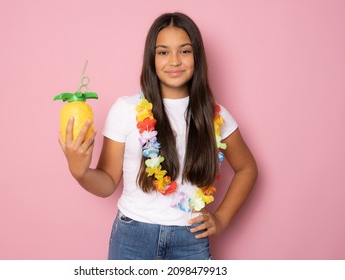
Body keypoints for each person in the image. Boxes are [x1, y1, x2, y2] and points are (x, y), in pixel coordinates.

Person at [58, 12, 257, 260]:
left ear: (198, 57)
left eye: (184, 51)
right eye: (163, 52)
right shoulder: (126, 110)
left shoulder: (214, 116)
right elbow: (108, 181)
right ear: (151, 58)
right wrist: (81, 173)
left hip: (191, 240)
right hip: (132, 238)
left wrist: (223, 219)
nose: (174, 60)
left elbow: (247, 168)